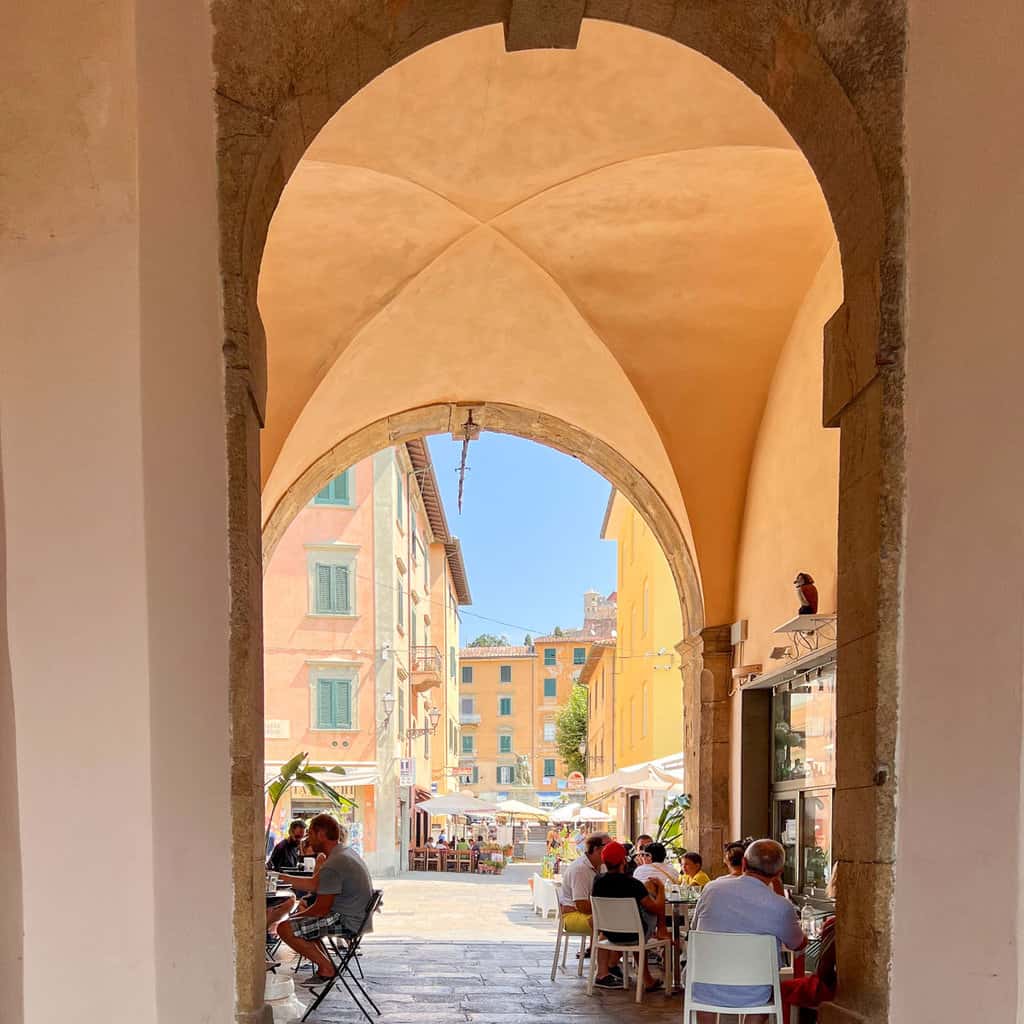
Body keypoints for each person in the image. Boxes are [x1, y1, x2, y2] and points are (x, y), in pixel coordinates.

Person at [689, 839, 806, 1015]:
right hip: (754, 993)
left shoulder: (711, 889)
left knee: (708, 982)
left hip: (703, 984)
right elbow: (798, 944)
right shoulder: (780, 906)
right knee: (769, 985)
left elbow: (694, 928)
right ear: (779, 873)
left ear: (743, 863)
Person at [277, 814, 374, 988]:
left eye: (311, 834)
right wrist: (280, 877)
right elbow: (315, 884)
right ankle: (326, 966)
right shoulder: (343, 852)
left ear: (321, 834)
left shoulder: (334, 864)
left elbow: (320, 909)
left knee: (284, 928)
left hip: (347, 920)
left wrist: (293, 919)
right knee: (303, 927)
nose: (308, 839)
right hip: (357, 917)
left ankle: (327, 968)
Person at [591, 840, 668, 992]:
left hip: (609, 934)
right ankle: (647, 979)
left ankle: (602, 973)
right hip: (634, 934)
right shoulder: (633, 884)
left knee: (633, 924)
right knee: (640, 923)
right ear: (623, 861)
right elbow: (657, 907)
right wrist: (660, 889)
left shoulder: (598, 881)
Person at [557, 832, 609, 953]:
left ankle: (607, 961)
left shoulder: (602, 866)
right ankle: (606, 966)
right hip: (572, 916)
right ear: (596, 849)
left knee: (620, 922)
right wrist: (608, 908)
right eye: (608, 845)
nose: (612, 848)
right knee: (612, 925)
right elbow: (582, 906)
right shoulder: (580, 869)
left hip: (587, 912)